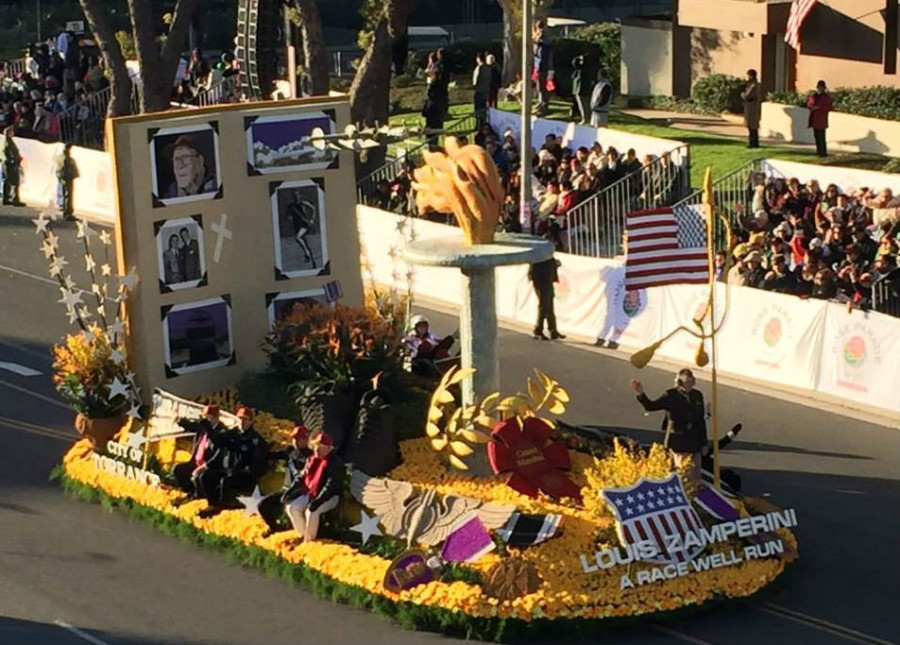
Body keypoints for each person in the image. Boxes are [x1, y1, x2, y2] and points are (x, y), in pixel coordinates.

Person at [629, 369, 708, 482]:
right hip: (678, 441)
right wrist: (640, 393)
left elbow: (700, 420)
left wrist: (704, 443)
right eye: (687, 382)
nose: (690, 385)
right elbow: (651, 406)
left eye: (692, 381)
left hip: (694, 441)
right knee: (683, 473)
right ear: (680, 382)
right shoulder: (671, 395)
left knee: (695, 475)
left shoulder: (697, 395)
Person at [284, 431, 344, 543]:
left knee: (311, 512)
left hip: (330, 497)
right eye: (315, 446)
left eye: (320, 447)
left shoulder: (335, 463)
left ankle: (309, 542)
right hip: (311, 493)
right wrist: (290, 491)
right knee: (291, 507)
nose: (316, 449)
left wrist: (317, 501)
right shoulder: (312, 459)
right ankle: (303, 535)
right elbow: (302, 477)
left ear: (329, 448)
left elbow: (330, 487)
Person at [259, 425, 313, 536]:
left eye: (299, 438)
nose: (296, 441)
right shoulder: (289, 451)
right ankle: (275, 528)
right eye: (294, 438)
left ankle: (303, 535)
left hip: (301, 492)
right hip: (286, 490)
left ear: (306, 440)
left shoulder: (312, 456)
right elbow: (270, 455)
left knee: (293, 508)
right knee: (262, 505)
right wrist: (264, 446)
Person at [171, 405, 230, 502]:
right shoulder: (203, 426)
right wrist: (178, 419)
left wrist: (204, 466)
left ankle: (199, 497)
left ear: (214, 417)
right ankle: (190, 492)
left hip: (209, 466)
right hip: (196, 462)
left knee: (200, 476)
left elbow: (219, 455)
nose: (204, 419)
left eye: (207, 416)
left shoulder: (222, 432)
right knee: (178, 469)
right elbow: (191, 426)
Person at [528, 227, 566, 341]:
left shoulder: (547, 254)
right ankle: (538, 330)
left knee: (549, 306)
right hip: (541, 282)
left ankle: (553, 330)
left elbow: (550, 263)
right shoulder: (539, 254)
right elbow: (535, 269)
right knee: (544, 306)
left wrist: (556, 264)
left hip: (547, 281)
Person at [285, 189, 317, 268]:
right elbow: (287, 216)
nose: (296, 197)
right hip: (296, 226)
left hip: (305, 225)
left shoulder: (304, 203)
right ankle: (309, 258)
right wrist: (289, 218)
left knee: (297, 238)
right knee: (305, 243)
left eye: (297, 196)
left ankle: (307, 253)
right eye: (294, 196)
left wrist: (312, 219)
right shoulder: (291, 206)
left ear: (300, 196)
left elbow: (313, 209)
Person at [807, 80, 833, 157]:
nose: (820, 89)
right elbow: (809, 104)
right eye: (819, 87)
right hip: (814, 119)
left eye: (821, 87)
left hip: (821, 120)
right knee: (816, 136)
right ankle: (818, 151)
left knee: (821, 137)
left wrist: (819, 108)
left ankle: (823, 152)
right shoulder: (814, 96)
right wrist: (812, 107)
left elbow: (828, 107)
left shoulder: (826, 97)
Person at [56, 144, 78, 220]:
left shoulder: (60, 157)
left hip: (63, 178)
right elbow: (67, 169)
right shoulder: (66, 159)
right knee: (68, 195)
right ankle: (67, 213)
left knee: (65, 194)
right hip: (67, 178)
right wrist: (73, 174)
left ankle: (65, 210)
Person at [2, 126, 23, 206]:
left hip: (8, 163)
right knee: (15, 182)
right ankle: (15, 199)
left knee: (7, 181)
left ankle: (6, 198)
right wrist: (16, 160)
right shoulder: (9, 143)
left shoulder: (7, 142)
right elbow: (11, 154)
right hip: (11, 164)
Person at [741, 69, 761, 149]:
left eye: (749, 75)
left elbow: (747, 96)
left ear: (752, 76)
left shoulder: (753, 86)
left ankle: (753, 143)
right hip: (754, 107)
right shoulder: (756, 85)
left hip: (751, 107)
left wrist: (742, 94)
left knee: (752, 126)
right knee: (753, 127)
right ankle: (754, 142)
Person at [570, 54, 589, 124]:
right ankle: (584, 118)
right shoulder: (579, 70)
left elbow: (575, 63)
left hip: (581, 90)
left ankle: (585, 119)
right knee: (582, 106)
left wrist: (578, 58)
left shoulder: (582, 69)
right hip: (579, 90)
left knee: (584, 106)